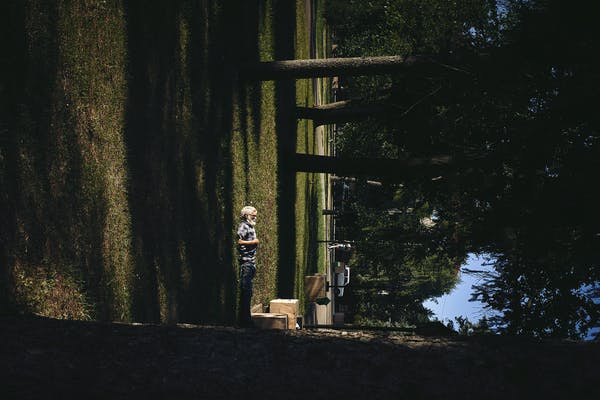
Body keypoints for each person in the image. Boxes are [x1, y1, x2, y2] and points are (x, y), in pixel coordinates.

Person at [237, 205, 259, 327]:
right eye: (253, 216)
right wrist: (254, 242)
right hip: (246, 262)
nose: (255, 218)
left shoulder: (250, 226)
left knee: (249, 291)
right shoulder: (243, 226)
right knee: (246, 291)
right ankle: (245, 319)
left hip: (251, 262)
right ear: (246, 216)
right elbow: (239, 241)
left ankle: (246, 317)